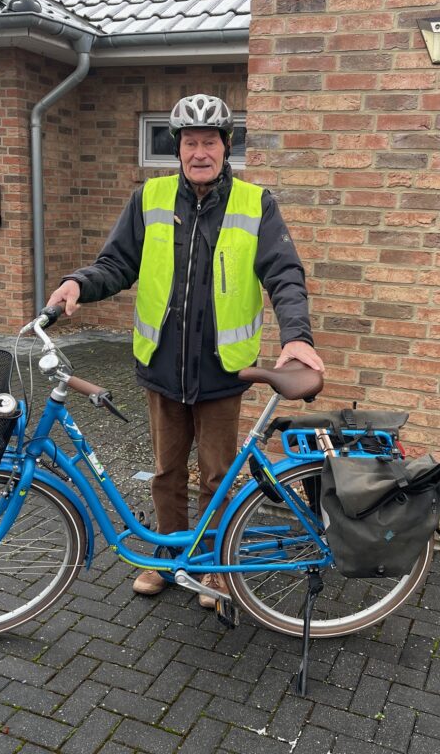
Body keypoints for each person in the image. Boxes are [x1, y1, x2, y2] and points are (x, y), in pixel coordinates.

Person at [46, 93, 324, 607]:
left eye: (210, 142)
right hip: (162, 366)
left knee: (218, 476)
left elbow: (285, 274)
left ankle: (213, 567)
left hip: (223, 371)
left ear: (226, 147)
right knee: (166, 471)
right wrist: (78, 284)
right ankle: (168, 559)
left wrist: (297, 336)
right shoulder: (148, 200)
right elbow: (116, 264)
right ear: (178, 148)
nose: (201, 152)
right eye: (191, 142)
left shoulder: (255, 203)